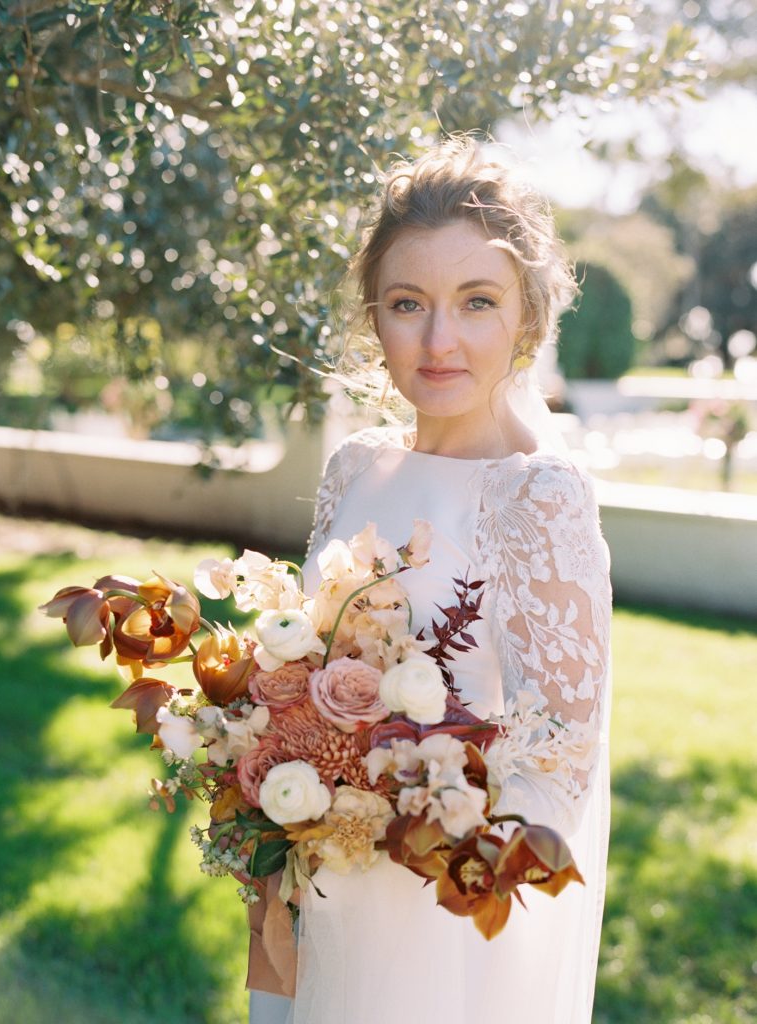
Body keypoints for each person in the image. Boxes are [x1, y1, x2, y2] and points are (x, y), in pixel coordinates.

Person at [250, 136, 612, 1024]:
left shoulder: (537, 495)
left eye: (476, 303)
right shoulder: (354, 468)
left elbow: (560, 752)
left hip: (442, 909)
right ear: (375, 316)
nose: (439, 340)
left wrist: (407, 816)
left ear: (526, 319)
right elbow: (295, 679)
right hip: (317, 875)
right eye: (409, 303)